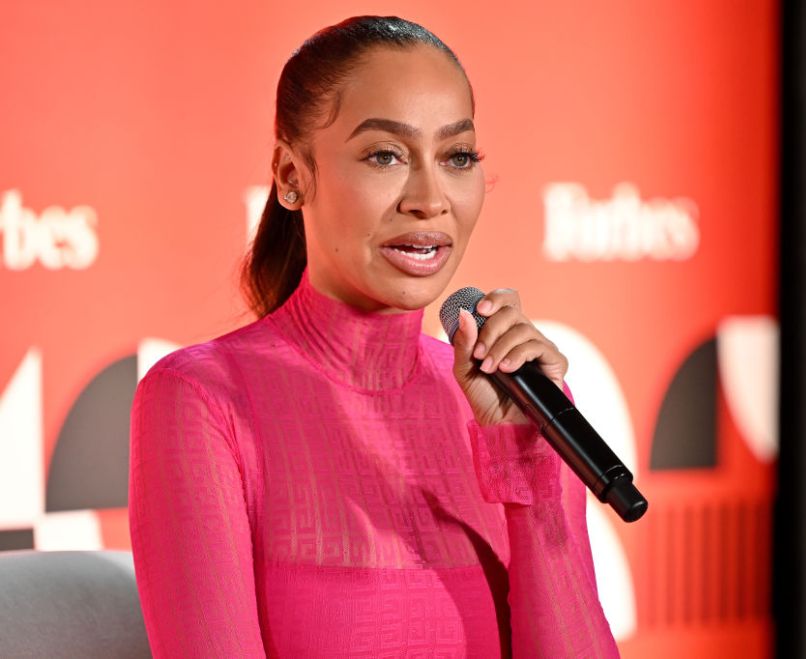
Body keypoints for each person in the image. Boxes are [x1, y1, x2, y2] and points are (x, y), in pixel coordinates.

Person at [128, 15, 619, 658]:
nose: (430, 199)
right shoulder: (202, 399)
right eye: (385, 155)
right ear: (291, 176)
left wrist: (530, 471)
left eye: (457, 157)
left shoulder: (518, 401)